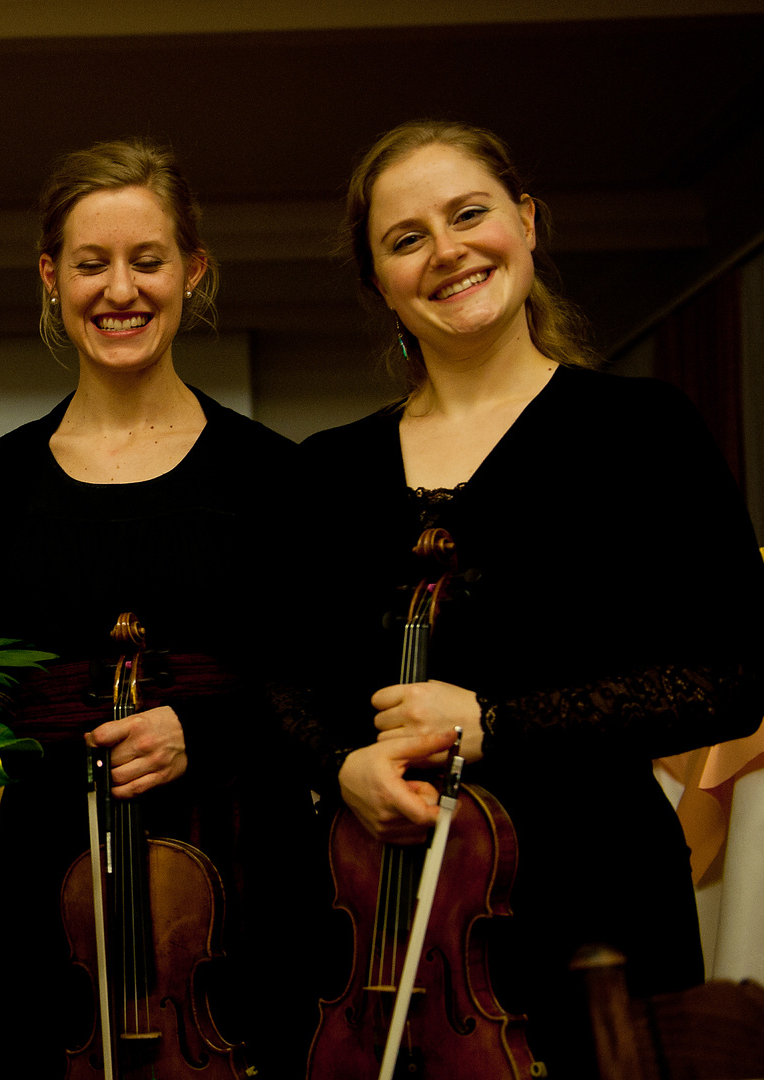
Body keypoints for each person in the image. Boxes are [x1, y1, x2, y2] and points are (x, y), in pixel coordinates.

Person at [292, 119, 764, 1075]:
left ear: (529, 221)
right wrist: (342, 763)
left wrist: (495, 724)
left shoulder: (642, 431)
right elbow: (283, 682)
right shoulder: (328, 472)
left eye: (470, 214)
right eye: (406, 238)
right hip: (385, 924)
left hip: (599, 905)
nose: (448, 251)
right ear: (377, 279)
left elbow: (732, 678)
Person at [0, 138, 319, 1077]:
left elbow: (320, 689)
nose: (122, 290)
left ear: (193, 272)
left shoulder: (272, 475)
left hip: (236, 869)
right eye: (91, 263)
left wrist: (206, 730)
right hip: (30, 876)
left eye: (148, 261)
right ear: (49, 277)